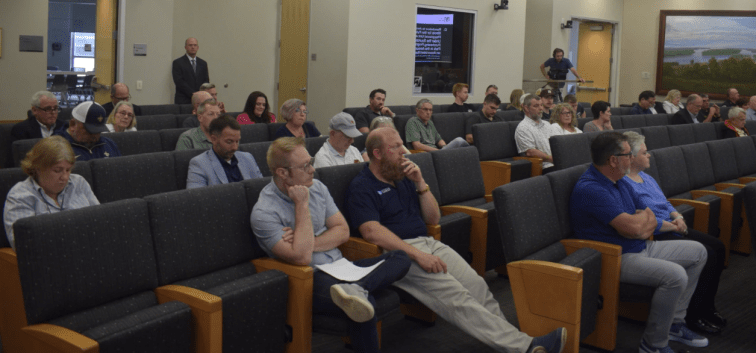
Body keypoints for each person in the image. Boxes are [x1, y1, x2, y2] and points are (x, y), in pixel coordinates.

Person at [345, 127, 567, 353]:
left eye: (402, 144)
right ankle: (525, 347)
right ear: (377, 153)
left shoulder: (402, 176)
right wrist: (419, 255)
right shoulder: (362, 186)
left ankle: (511, 343)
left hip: (427, 242)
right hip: (397, 254)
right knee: (456, 296)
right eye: (396, 147)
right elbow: (371, 232)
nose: (404, 151)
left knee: (476, 285)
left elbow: (433, 218)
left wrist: (421, 183)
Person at [250, 137, 412, 353]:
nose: (312, 170)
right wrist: (301, 204)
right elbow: (302, 258)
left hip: (341, 267)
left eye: (311, 162)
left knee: (400, 257)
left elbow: (343, 231)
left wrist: (304, 240)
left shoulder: (317, 187)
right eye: (305, 166)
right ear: (282, 173)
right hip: (309, 279)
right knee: (364, 305)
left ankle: (357, 288)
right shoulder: (264, 212)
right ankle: (358, 291)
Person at [570, 132, 708, 353]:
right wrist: (639, 226)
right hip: (616, 257)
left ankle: (674, 323)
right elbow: (634, 228)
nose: (631, 158)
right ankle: (653, 344)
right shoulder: (591, 188)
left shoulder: (620, 181)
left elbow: (648, 215)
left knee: (698, 252)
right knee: (676, 276)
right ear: (613, 160)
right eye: (627, 155)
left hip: (640, 245)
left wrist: (640, 225)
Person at [619, 132, 727, 336]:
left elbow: (665, 202)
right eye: (644, 152)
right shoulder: (625, 183)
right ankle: (693, 315)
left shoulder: (646, 177)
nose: (649, 155)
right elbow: (641, 219)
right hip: (657, 232)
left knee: (718, 247)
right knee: (709, 253)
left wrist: (678, 215)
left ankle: (707, 307)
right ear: (631, 157)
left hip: (673, 224)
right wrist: (673, 226)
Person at [3, 136, 100, 249]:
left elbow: (99, 221)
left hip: (90, 249)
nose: (65, 177)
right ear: (38, 168)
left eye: (68, 170)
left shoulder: (78, 183)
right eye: (57, 170)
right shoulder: (20, 196)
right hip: (51, 256)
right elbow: (23, 245)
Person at [187, 115, 263, 188]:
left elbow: (261, 188)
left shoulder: (248, 158)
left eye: (237, 141)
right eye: (229, 142)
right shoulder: (199, 164)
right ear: (213, 139)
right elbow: (196, 196)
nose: (235, 147)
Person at [57, 101, 121, 161]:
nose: (95, 136)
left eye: (98, 131)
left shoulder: (109, 145)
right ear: (73, 124)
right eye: (90, 132)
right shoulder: (58, 148)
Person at [515, 94, 554, 172]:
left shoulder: (547, 124)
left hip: (557, 163)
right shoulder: (523, 128)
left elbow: (557, 143)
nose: (541, 108)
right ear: (526, 108)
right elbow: (530, 152)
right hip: (544, 166)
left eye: (541, 105)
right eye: (536, 106)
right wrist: (554, 159)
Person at [172, 37, 209, 104]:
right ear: (185, 47)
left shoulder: (203, 63)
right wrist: (194, 94)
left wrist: (201, 95)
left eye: (195, 45)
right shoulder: (177, 63)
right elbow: (179, 82)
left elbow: (206, 81)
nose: (193, 47)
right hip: (183, 100)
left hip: (200, 100)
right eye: (190, 45)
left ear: (198, 47)